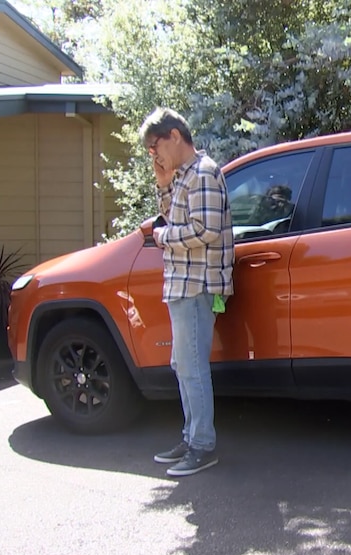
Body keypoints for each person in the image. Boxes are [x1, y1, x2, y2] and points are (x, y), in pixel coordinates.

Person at [139, 107, 234, 477]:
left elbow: (205, 230)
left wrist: (162, 238)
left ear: (175, 135)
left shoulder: (204, 174)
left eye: (154, 146)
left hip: (197, 285)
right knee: (183, 366)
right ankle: (191, 436)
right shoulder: (184, 177)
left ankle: (202, 444)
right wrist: (164, 184)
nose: (154, 154)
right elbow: (175, 217)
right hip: (182, 284)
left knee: (193, 368)